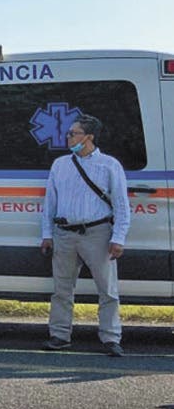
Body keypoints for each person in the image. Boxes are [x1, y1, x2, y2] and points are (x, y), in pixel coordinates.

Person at [40, 114, 130, 357]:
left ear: (88, 137)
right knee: (62, 290)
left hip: (97, 233)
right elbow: (50, 203)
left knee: (107, 290)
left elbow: (121, 205)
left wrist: (118, 238)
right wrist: (47, 234)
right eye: (69, 133)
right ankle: (60, 335)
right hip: (64, 233)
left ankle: (111, 338)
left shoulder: (109, 164)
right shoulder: (60, 164)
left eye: (73, 133)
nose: (68, 137)